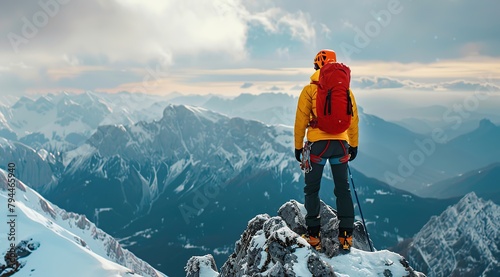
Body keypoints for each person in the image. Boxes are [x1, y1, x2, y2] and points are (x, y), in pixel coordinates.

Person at [294, 49, 359, 251]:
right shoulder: (346, 91)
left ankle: (314, 236)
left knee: (312, 189)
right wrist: (353, 145)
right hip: (341, 144)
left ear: (317, 66)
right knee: (343, 189)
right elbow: (353, 120)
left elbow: (301, 120)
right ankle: (346, 237)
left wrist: (297, 146)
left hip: (318, 147)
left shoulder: (310, 89)